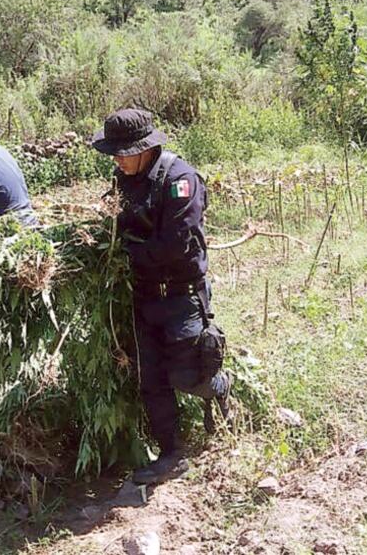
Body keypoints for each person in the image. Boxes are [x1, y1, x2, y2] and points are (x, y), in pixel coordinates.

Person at [91, 108, 230, 486]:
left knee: (187, 376)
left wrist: (127, 254)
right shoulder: (124, 178)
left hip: (180, 294)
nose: (117, 161)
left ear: (145, 149)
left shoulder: (179, 179)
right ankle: (172, 454)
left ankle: (220, 385)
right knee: (151, 378)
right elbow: (116, 221)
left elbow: (176, 245)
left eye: (123, 153)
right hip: (144, 295)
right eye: (114, 154)